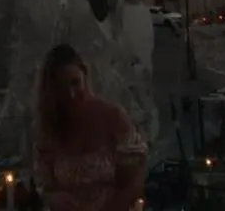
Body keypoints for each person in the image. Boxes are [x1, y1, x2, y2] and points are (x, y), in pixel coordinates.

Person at [32, 44, 147, 211]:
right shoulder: (48, 129)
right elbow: (46, 187)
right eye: (62, 88)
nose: (71, 94)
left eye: (75, 83)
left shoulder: (112, 118)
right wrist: (53, 199)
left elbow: (133, 183)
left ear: (84, 76)